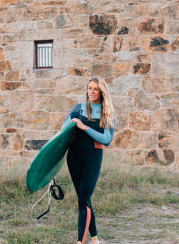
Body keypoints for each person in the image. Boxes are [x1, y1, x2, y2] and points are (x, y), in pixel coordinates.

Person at [61, 77, 116, 244]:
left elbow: (106, 139)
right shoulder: (78, 109)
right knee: (83, 198)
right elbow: (62, 132)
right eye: (89, 88)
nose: (91, 92)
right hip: (74, 157)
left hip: (93, 157)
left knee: (84, 197)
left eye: (95, 89)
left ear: (101, 92)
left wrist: (83, 127)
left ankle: (80, 241)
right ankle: (95, 239)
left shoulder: (107, 113)